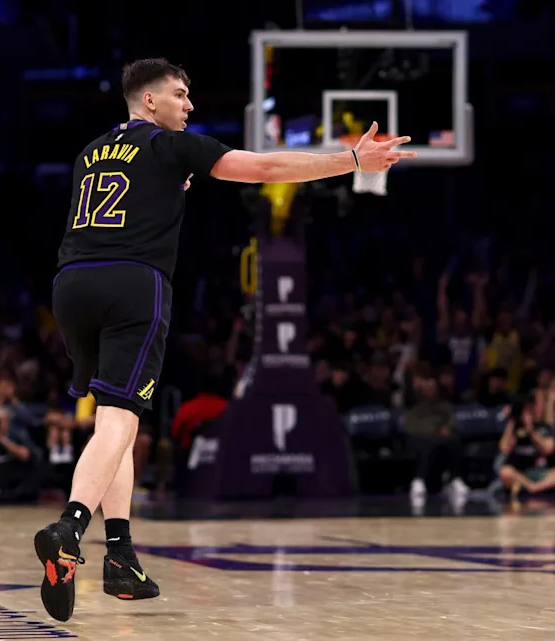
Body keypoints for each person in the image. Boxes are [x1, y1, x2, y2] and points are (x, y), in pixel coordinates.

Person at [34, 57, 414, 622]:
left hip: (71, 285)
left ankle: (121, 556)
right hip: (132, 283)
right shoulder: (169, 145)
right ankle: (69, 528)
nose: (189, 105)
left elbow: (134, 197)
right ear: (149, 101)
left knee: (117, 421)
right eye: (180, 94)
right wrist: (352, 160)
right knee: (119, 421)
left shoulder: (90, 152)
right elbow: (264, 167)